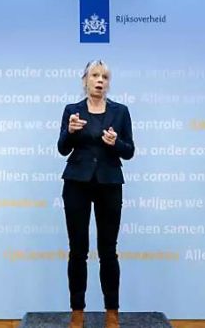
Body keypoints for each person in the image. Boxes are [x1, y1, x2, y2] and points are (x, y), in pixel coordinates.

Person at [57, 60, 135, 328]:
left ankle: (111, 312)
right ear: (85, 81)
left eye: (105, 77)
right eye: (95, 75)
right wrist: (70, 131)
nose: (100, 80)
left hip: (109, 183)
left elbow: (129, 150)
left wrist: (116, 143)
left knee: (108, 251)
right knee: (77, 250)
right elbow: (62, 149)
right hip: (77, 183)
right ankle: (77, 311)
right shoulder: (72, 111)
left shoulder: (121, 112)